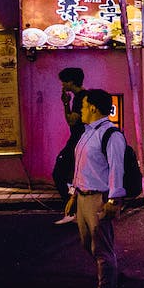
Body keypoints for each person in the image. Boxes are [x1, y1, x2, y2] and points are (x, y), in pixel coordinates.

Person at [71, 88, 129, 288]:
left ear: (93, 107)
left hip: (99, 198)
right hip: (83, 196)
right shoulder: (88, 132)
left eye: (84, 106)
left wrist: (114, 200)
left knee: (102, 248)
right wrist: (73, 194)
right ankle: (111, 276)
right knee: (89, 244)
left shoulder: (110, 135)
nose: (81, 110)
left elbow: (116, 169)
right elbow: (81, 167)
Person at [51, 67, 87, 227]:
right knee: (72, 176)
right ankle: (75, 210)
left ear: (71, 81)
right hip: (80, 141)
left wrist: (65, 104)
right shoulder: (83, 96)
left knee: (59, 174)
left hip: (77, 141)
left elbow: (72, 121)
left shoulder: (80, 98)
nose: (62, 85)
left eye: (64, 81)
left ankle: (72, 211)